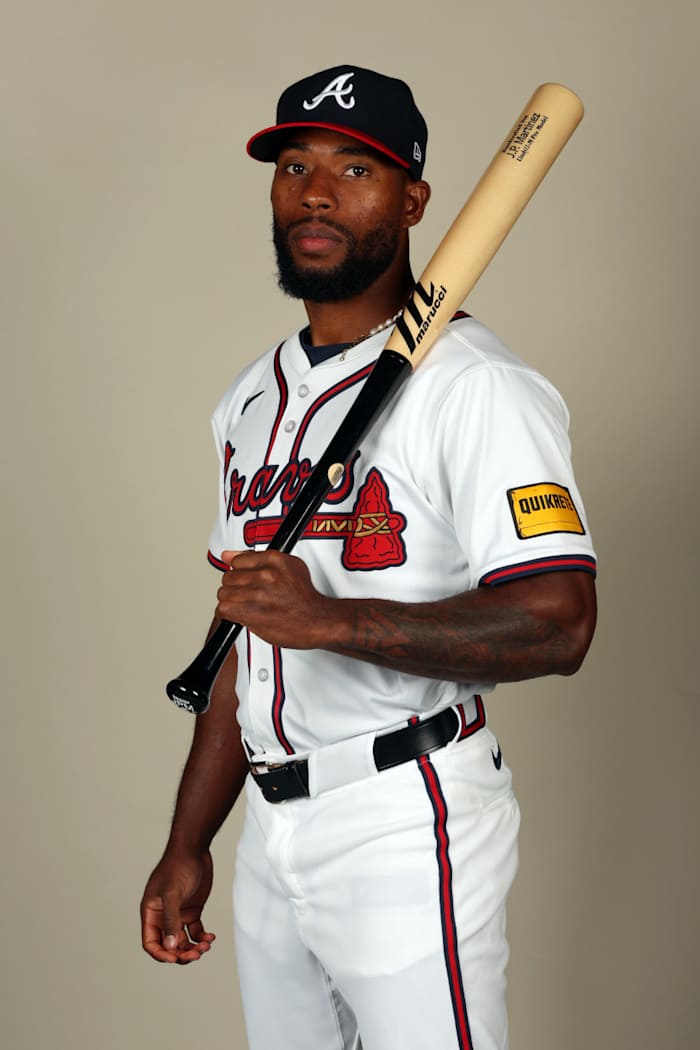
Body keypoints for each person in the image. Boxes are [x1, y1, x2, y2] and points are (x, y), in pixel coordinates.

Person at [140, 65, 597, 1050]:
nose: (314, 190)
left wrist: (334, 620)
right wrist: (189, 841)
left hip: (406, 812)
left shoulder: (477, 388)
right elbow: (244, 640)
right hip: (271, 823)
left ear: (414, 201)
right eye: (294, 164)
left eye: (357, 169)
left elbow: (562, 623)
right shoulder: (248, 400)